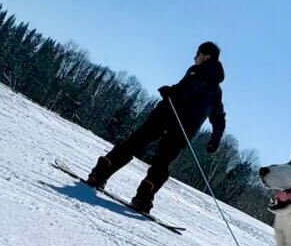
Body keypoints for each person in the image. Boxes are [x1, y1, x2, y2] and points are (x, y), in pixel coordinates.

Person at [86, 41, 226, 214]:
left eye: (197, 54)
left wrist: (171, 92)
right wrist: (216, 138)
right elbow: (218, 115)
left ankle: (100, 174)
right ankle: (142, 199)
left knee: (134, 144)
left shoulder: (197, 73)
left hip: (166, 118)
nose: (194, 57)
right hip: (181, 130)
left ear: (206, 56)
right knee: (161, 163)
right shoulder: (215, 89)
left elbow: (187, 92)